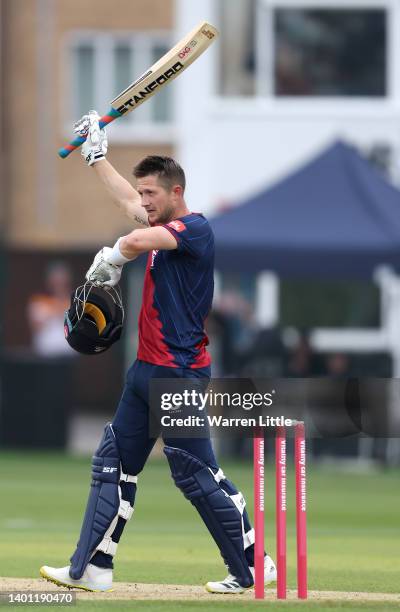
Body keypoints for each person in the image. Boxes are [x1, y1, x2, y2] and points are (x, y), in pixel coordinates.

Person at [40, 111, 276, 594]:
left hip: (180, 375)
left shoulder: (195, 230)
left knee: (194, 473)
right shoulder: (152, 217)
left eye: (152, 194)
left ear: (176, 193)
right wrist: (97, 157)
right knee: (112, 462)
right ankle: (92, 568)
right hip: (146, 373)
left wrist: (112, 257)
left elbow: (139, 237)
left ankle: (255, 565)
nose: (143, 201)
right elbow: (129, 207)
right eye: (142, 193)